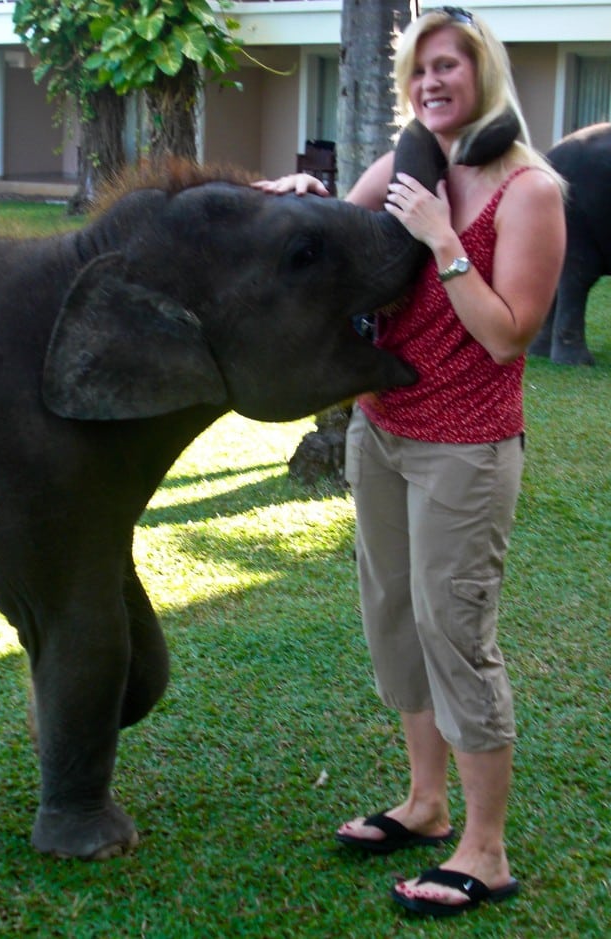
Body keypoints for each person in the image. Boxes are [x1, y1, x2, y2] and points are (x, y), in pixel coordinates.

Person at [253, 6, 566, 918]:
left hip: (465, 447)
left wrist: (441, 240)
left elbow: (508, 337)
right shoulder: (406, 166)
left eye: (449, 67)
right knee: (394, 619)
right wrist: (301, 202)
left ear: (484, 73)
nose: (432, 82)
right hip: (382, 431)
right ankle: (426, 805)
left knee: (455, 634)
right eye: (420, 69)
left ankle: (487, 849)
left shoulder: (529, 190)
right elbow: (339, 244)